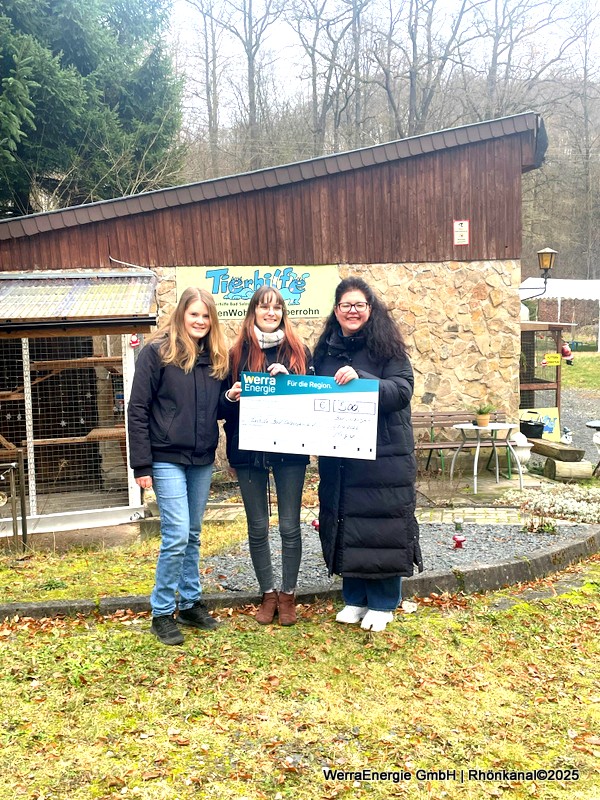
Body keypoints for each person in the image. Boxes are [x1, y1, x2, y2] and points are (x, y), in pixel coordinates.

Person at [313, 277, 423, 632]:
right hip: (340, 455)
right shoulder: (325, 350)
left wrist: (361, 380)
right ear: (336, 311)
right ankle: (355, 599)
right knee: (347, 523)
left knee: (381, 526)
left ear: (370, 309)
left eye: (359, 305)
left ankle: (383, 602)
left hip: (383, 456)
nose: (353, 311)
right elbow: (312, 389)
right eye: (346, 305)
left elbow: (401, 391)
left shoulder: (387, 349)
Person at [128, 287, 229, 646]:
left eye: (206, 316)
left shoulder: (215, 357)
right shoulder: (157, 352)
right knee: (177, 534)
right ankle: (161, 612)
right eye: (194, 314)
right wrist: (142, 464)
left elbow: (219, 408)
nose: (200, 321)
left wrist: (231, 397)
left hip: (201, 458)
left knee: (193, 533)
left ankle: (189, 604)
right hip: (165, 457)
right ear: (181, 314)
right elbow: (137, 409)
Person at [222, 286, 313, 626]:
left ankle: (288, 594)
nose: (271, 313)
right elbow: (220, 409)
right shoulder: (236, 354)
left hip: (290, 450)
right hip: (249, 451)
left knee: (289, 525)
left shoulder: (299, 351)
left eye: (277, 308)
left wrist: (291, 384)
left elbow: (312, 401)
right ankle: (268, 593)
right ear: (253, 312)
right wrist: (230, 397)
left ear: (283, 313)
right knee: (258, 526)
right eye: (264, 307)